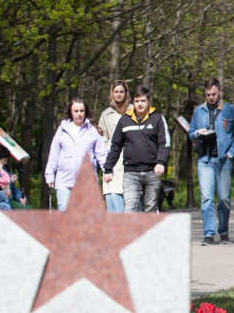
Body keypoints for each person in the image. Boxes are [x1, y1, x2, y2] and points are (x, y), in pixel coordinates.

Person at [188, 79, 234, 246]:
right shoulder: (199, 111)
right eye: (208, 95)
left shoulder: (230, 110)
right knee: (206, 198)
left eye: (213, 94)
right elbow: (190, 133)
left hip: (223, 161)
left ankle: (224, 231)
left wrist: (230, 154)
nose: (211, 97)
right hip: (204, 160)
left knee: (224, 199)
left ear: (220, 92)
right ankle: (208, 234)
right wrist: (197, 132)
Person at [103, 85, 170, 213]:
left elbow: (164, 143)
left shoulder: (157, 119)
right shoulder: (124, 121)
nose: (140, 104)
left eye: (143, 101)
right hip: (130, 173)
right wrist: (108, 168)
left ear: (148, 101)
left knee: (151, 208)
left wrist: (161, 162)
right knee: (130, 209)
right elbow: (115, 146)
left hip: (152, 171)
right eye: (137, 101)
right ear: (133, 101)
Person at [44, 97, 109, 210]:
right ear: (71, 112)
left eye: (82, 111)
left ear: (85, 111)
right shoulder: (62, 130)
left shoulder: (92, 130)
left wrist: (108, 171)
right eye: (76, 111)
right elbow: (54, 154)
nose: (79, 114)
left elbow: (101, 154)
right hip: (64, 181)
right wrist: (50, 175)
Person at [98, 80, 130, 212]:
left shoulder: (132, 110)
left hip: (129, 155)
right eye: (116, 92)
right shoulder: (106, 114)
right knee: (112, 192)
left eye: (121, 92)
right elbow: (102, 139)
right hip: (113, 157)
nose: (119, 95)